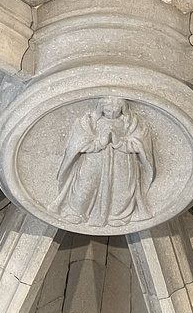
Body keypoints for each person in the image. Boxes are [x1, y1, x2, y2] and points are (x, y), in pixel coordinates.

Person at [49, 97, 156, 227]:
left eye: (116, 108)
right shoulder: (89, 122)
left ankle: (118, 216)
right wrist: (100, 142)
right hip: (93, 160)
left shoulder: (131, 122)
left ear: (123, 108)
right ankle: (76, 212)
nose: (112, 112)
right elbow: (78, 143)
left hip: (122, 161)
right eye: (108, 109)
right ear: (101, 108)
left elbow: (140, 143)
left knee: (122, 188)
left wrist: (119, 142)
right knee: (85, 185)